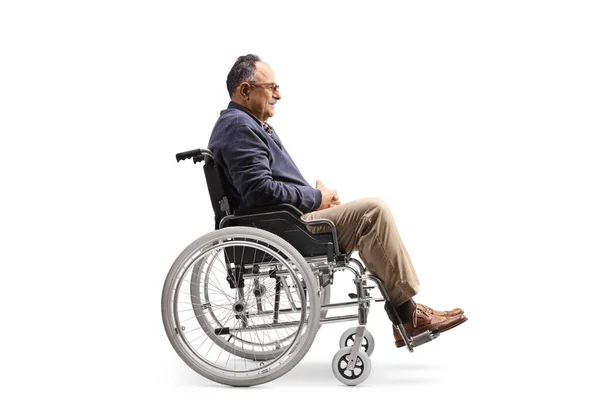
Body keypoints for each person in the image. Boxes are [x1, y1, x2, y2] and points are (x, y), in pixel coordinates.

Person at [208, 54, 467, 347]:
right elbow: (259, 191)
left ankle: (407, 315)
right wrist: (316, 198)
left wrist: (313, 195)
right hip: (280, 227)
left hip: (285, 220)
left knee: (368, 214)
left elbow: (265, 186)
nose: (278, 94)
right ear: (245, 90)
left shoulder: (243, 124)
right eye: (272, 87)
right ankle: (408, 316)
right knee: (373, 211)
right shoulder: (239, 127)